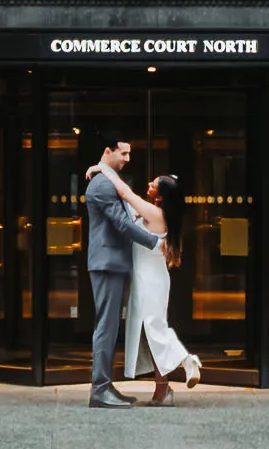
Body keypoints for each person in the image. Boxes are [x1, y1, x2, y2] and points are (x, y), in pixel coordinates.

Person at [88, 158, 203, 404]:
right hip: (144, 279)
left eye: (154, 184)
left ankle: (187, 361)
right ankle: (163, 391)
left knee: (156, 329)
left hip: (151, 280)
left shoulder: (153, 212)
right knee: (150, 334)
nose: (149, 183)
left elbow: (124, 192)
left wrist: (102, 168)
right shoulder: (157, 212)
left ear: (160, 195)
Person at [83, 136, 163, 409]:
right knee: (106, 326)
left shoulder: (106, 180)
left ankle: (105, 386)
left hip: (111, 262)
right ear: (108, 151)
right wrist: (156, 242)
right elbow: (121, 223)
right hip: (107, 263)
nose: (128, 159)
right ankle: (100, 390)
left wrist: (101, 168)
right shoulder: (102, 185)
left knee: (110, 325)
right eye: (124, 153)